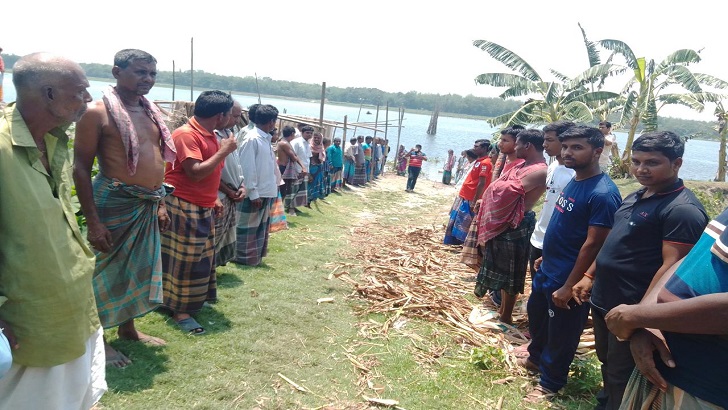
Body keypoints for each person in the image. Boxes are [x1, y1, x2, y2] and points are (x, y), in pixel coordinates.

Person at [571, 131, 708, 410]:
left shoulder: (682, 210)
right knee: (608, 363)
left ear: (676, 163)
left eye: (652, 163)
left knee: (626, 374)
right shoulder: (637, 195)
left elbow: (672, 267)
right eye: (636, 161)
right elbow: (614, 240)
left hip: (633, 308)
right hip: (605, 300)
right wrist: (590, 275)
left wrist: (644, 318)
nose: (641, 169)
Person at [0, 52, 106, 408]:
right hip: (29, 323)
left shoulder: (53, 140)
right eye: (80, 91)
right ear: (49, 94)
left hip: (73, 307)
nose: (88, 100)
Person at [73, 49, 178, 368]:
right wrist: (93, 222)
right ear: (117, 72)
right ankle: (97, 339)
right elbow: (80, 166)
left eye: (152, 74)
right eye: (140, 72)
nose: (147, 79)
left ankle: (128, 328)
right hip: (114, 203)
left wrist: (160, 202)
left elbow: (157, 158)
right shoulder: (96, 112)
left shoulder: (151, 111)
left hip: (147, 203)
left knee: (139, 269)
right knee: (104, 272)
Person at [522, 125, 622, 403]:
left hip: (569, 279)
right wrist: (548, 255)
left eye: (576, 147)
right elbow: (564, 225)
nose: (567, 152)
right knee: (538, 318)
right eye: (565, 147)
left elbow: (595, 244)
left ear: (597, 151)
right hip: (550, 268)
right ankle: (535, 360)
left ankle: (550, 383)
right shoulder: (575, 181)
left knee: (562, 334)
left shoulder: (603, 193)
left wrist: (570, 285)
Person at [604, 206, 728, 410]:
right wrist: (648, 321)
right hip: (664, 365)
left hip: (707, 387)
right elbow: (693, 258)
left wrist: (638, 317)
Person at [161, 90, 237, 335]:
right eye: (230, 115)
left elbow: (209, 173)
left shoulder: (210, 135)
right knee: (184, 261)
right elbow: (194, 172)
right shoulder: (186, 134)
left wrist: (213, 196)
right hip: (183, 204)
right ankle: (179, 311)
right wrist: (224, 151)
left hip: (202, 205)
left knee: (201, 259)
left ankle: (191, 301)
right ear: (220, 116)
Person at [472, 129, 548, 326]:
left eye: (517, 144)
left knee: (511, 275)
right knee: (499, 268)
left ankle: (506, 315)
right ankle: (501, 309)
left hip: (515, 225)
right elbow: (499, 187)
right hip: (503, 224)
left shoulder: (539, 170)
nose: (514, 148)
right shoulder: (523, 165)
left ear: (528, 146)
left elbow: (505, 192)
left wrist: (492, 191)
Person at [529, 120, 576, 279]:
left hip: (556, 243)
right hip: (538, 237)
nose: (544, 145)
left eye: (549, 140)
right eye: (544, 140)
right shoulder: (554, 166)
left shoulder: (574, 174)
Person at [235, 104, 279, 266]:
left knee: (259, 227)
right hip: (255, 192)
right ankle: (241, 257)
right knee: (246, 227)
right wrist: (253, 192)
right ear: (271, 122)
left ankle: (253, 256)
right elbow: (247, 168)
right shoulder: (252, 139)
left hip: (265, 190)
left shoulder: (264, 138)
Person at [214, 100, 245, 266]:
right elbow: (211, 171)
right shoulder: (213, 136)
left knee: (224, 236)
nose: (237, 120)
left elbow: (237, 164)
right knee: (213, 238)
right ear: (222, 115)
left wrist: (242, 186)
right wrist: (229, 191)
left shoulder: (231, 134)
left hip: (232, 193)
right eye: (235, 115)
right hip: (219, 195)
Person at [443, 140, 492, 245]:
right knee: (456, 219)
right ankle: (453, 241)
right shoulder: (478, 161)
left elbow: (481, 183)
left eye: (477, 146)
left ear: (484, 148)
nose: (474, 148)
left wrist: (475, 200)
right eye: (474, 146)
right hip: (465, 195)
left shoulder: (485, 163)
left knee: (465, 221)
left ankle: (462, 243)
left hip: (471, 197)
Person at [277, 125, 304, 216]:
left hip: (284, 169)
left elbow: (294, 155)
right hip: (283, 169)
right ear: (292, 134)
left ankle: (278, 213)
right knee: (281, 192)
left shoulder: (286, 143)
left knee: (284, 192)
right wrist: (303, 167)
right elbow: (293, 157)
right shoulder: (284, 143)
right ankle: (277, 213)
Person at [291, 125, 313, 206]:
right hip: (297, 170)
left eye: (311, 133)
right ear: (302, 133)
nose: (309, 135)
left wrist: (308, 171)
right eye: (307, 133)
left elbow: (308, 158)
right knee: (293, 190)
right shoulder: (296, 142)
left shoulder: (307, 144)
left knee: (300, 190)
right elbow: (293, 155)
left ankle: (294, 206)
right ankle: (290, 207)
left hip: (305, 171)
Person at [307, 131, 327, 204]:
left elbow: (322, 158)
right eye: (315, 137)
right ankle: (306, 200)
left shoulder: (321, 147)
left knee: (315, 184)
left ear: (321, 139)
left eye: (318, 138)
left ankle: (310, 200)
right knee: (309, 184)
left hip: (318, 168)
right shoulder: (309, 146)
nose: (316, 139)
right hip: (310, 168)